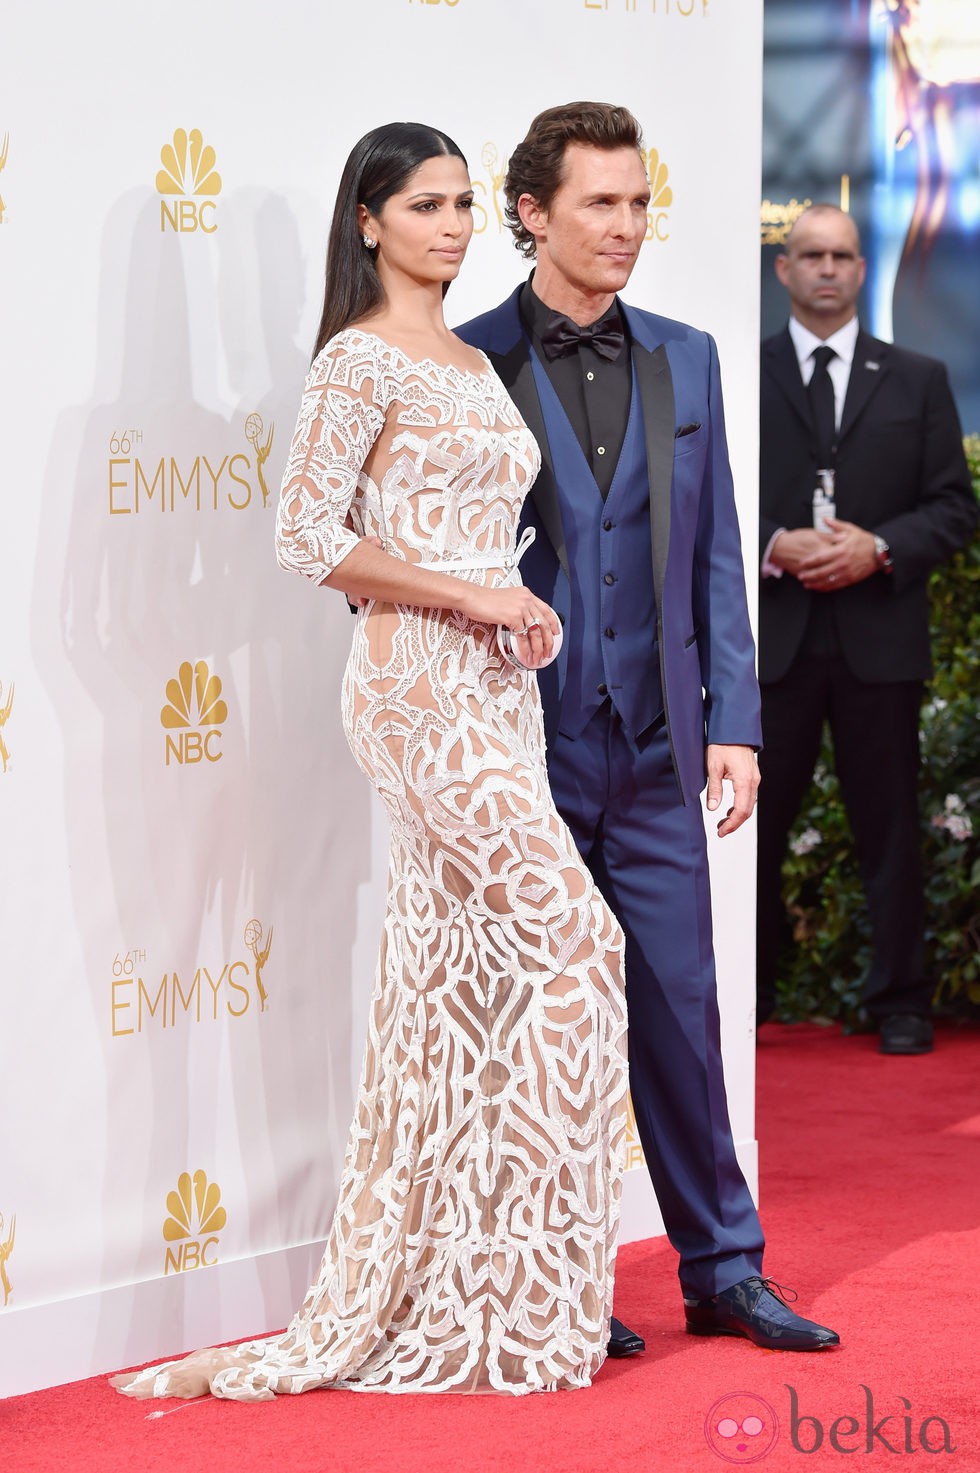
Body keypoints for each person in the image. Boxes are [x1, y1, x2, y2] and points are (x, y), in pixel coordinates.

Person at [112, 121, 629, 1401]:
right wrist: (470, 596)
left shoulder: (464, 355)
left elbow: (464, 530)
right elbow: (305, 538)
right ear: (368, 222)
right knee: (578, 943)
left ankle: (482, 1282)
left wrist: (509, 603)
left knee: (463, 984)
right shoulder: (357, 360)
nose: (452, 227)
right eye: (423, 206)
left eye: (462, 205)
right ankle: (507, 1269)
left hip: (492, 693)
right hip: (412, 689)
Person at [459, 102, 838, 1353]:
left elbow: (716, 555)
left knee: (680, 1007)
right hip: (523, 752)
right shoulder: (464, 366)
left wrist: (735, 718)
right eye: (598, 206)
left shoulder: (688, 355)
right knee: (537, 1024)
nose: (625, 228)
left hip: (660, 749)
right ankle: (559, 1284)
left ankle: (722, 1269)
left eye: (636, 205)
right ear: (531, 215)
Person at [757, 203, 977, 1055]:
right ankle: (752, 994)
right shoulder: (740, 370)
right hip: (774, 643)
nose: (826, 269)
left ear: (859, 266)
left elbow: (955, 507)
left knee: (887, 824)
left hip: (880, 642)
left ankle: (900, 1001)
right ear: (783, 268)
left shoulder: (917, 376)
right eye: (810, 254)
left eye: (842, 255)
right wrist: (774, 544)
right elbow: (710, 501)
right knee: (756, 826)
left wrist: (879, 548)